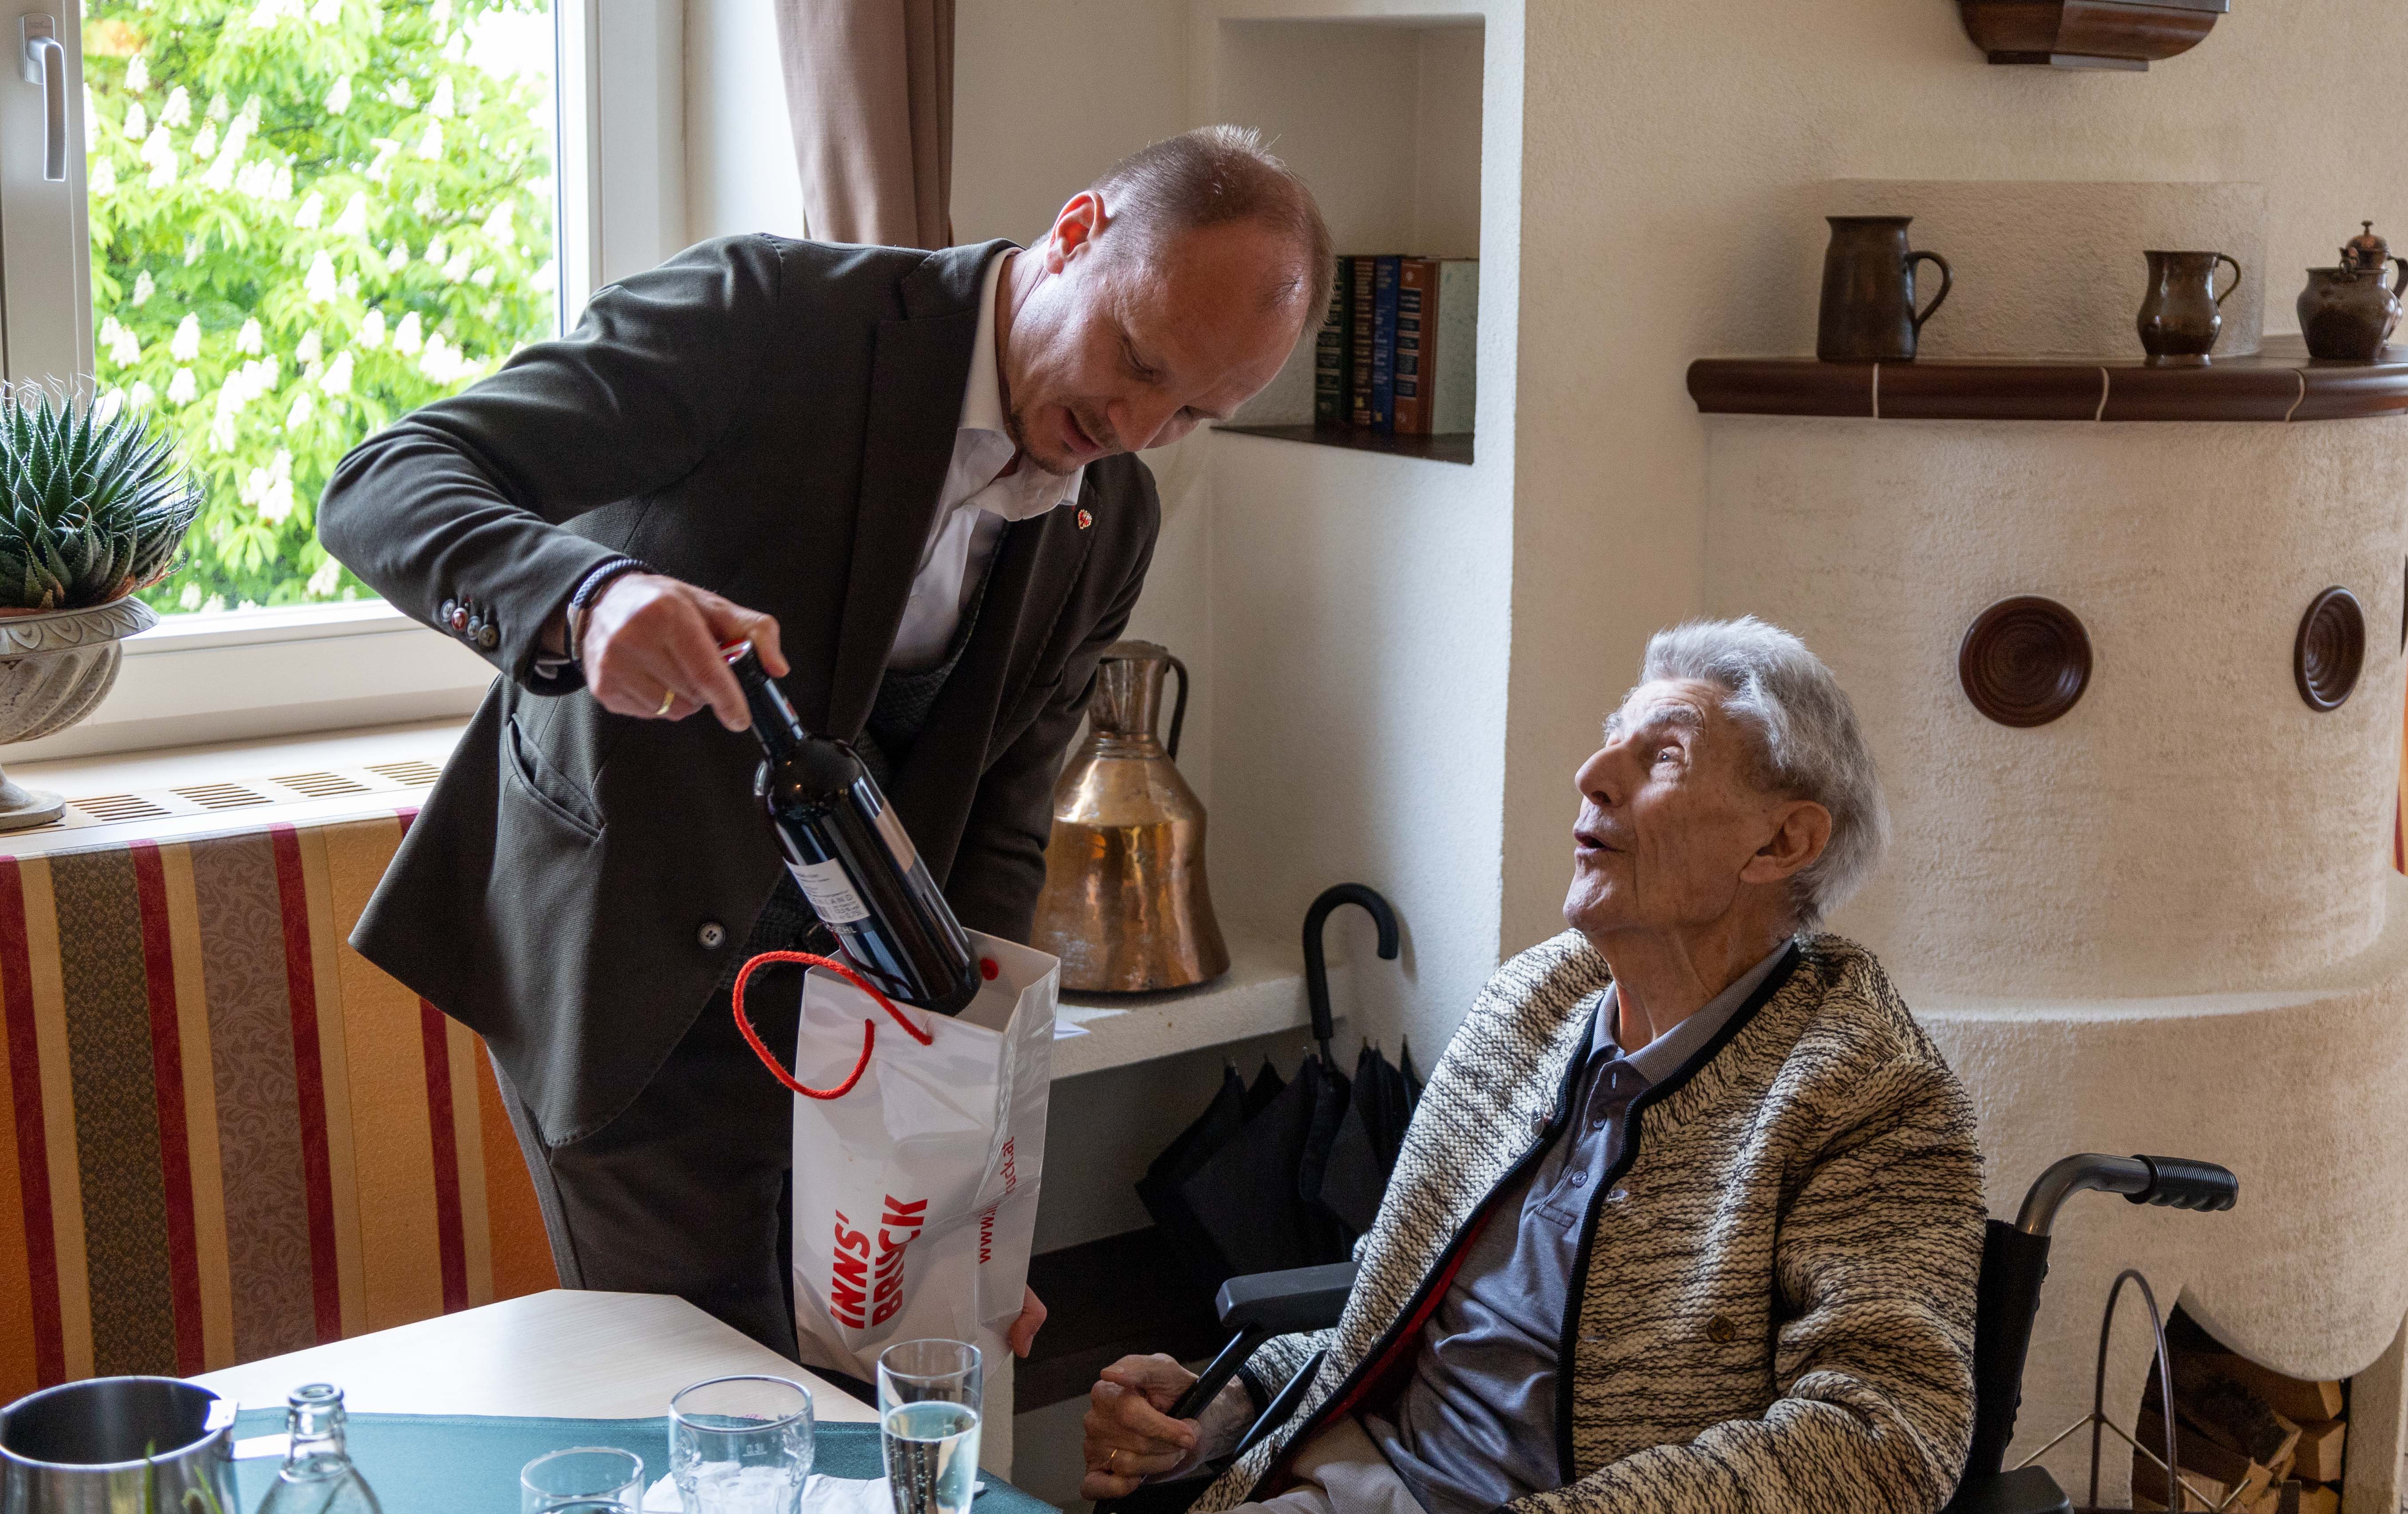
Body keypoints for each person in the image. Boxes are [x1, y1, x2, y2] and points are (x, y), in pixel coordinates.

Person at [318, 126, 1333, 1362]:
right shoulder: (763, 317)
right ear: (1074, 232)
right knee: (712, 1403)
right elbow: (387, 478)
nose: (1136, 423)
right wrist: (585, 601)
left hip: (859, 1040)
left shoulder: (1106, 518)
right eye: (1135, 358)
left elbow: (1001, 827)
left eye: (1195, 411)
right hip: (629, 972)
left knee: (863, 1399)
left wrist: (973, 1179)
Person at [1081, 618, 1985, 1514]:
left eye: (1660, 756)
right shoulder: (1533, 1001)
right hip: (1351, 1479)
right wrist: (1220, 1405)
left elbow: (1884, 1439)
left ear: (1780, 845)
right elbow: (1399, 1309)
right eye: (1607, 744)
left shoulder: (1867, 1092)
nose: (1591, 777)